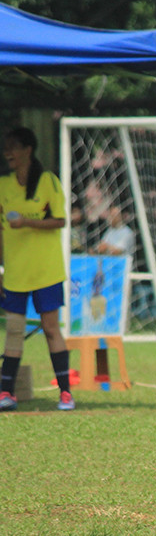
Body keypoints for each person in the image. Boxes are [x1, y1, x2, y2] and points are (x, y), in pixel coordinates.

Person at [0, 127, 75, 411]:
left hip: (46, 270)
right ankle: (6, 393)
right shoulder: (4, 185)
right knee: (14, 331)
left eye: (13, 147)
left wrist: (28, 223)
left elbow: (60, 221)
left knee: (50, 328)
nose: (8, 152)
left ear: (28, 150)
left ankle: (66, 393)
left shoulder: (48, 182)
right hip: (16, 272)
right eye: (6, 147)